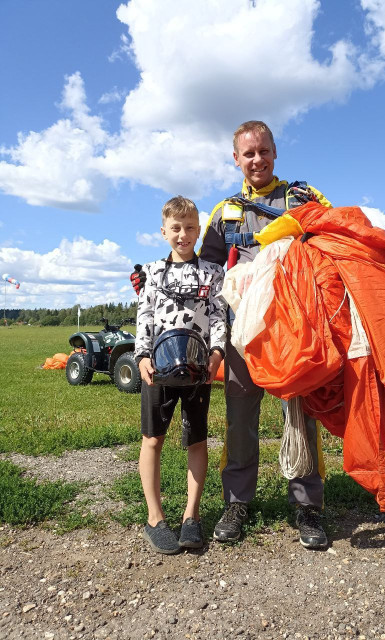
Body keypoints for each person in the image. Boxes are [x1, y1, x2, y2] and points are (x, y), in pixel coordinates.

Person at [131, 121, 332, 550]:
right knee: (240, 418)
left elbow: (335, 240)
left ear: (275, 152)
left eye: (263, 151)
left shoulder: (304, 198)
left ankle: (307, 505)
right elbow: (204, 277)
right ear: (236, 159)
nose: (257, 160)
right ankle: (237, 502)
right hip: (244, 335)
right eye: (248, 153)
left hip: (297, 332)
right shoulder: (226, 213)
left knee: (301, 415)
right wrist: (152, 284)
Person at [134, 196, 226, 554]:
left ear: (199, 230)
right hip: (158, 367)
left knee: (197, 440)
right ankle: (154, 518)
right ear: (164, 231)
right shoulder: (153, 273)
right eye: (176, 228)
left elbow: (219, 316)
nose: (183, 235)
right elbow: (145, 315)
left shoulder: (213, 273)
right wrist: (142, 355)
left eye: (190, 228)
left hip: (198, 369)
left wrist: (217, 352)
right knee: (153, 439)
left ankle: (192, 516)